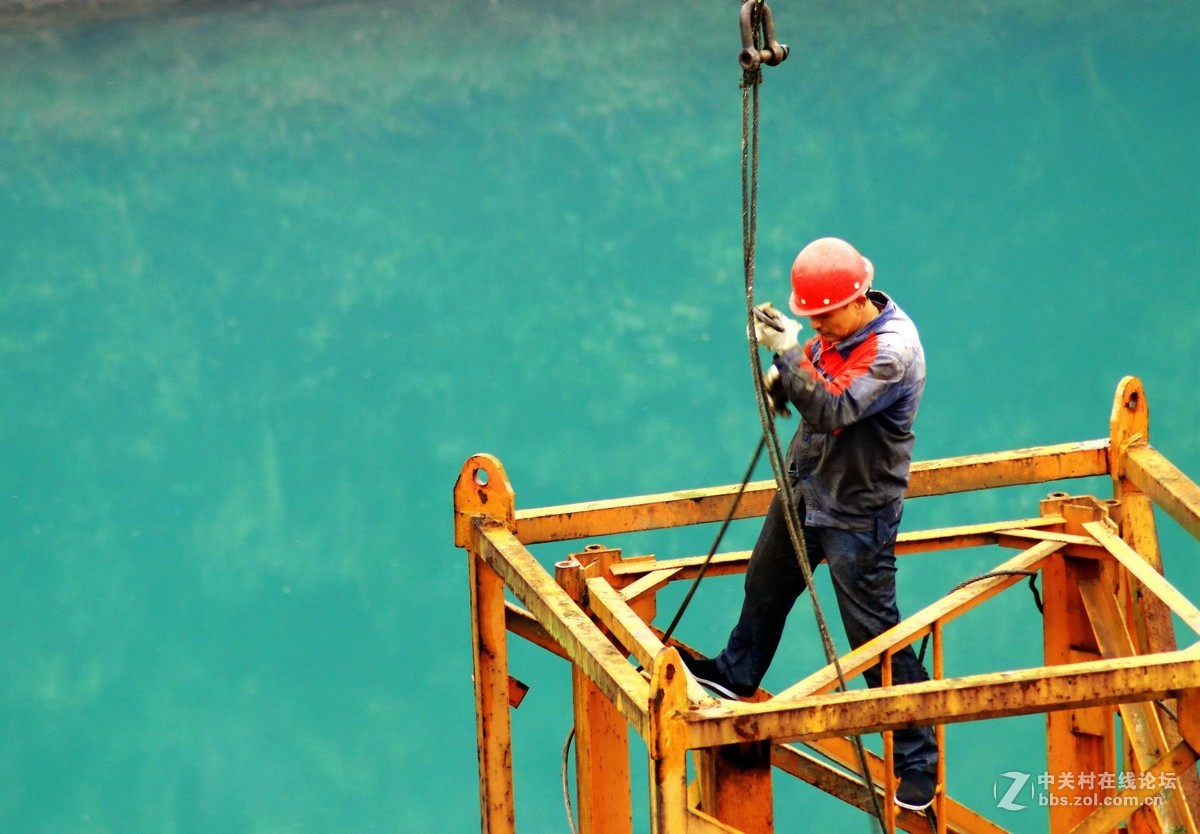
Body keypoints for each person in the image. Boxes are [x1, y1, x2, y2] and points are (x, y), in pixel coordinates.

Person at [682, 236, 939, 811]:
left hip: (857, 511)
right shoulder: (841, 332)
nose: (817, 327)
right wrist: (784, 371)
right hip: (806, 486)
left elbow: (833, 408)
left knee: (875, 638)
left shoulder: (892, 350)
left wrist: (788, 353)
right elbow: (815, 381)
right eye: (810, 319)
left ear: (856, 300)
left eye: (824, 316)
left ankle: (917, 759)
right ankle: (735, 673)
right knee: (765, 584)